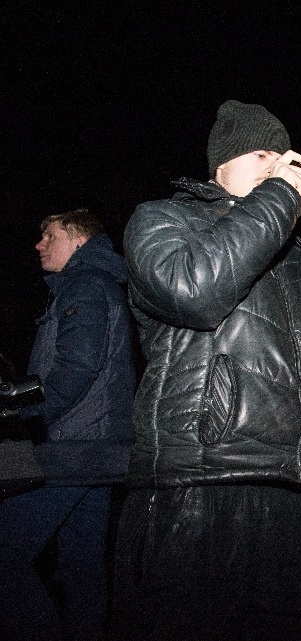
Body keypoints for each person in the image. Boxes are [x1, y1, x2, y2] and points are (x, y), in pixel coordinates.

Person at [112, 100, 301, 641]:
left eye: (283, 155)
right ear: (220, 166)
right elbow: (196, 290)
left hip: (290, 489)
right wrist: (278, 192)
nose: (280, 164)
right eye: (261, 154)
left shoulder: (293, 253)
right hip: (197, 482)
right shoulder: (163, 218)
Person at [0, 209, 135, 641]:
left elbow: (77, 366)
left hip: (70, 450)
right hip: (99, 451)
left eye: (48, 235)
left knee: (6, 556)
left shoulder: (86, 283)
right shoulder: (98, 283)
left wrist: (28, 416)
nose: (39, 244)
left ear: (78, 240)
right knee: (81, 569)